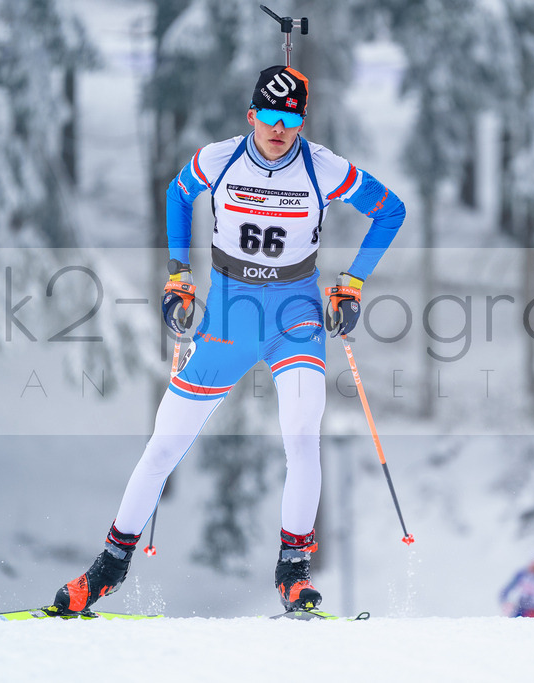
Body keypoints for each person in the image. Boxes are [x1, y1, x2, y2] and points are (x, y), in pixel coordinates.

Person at [52, 65, 405, 614]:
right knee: (165, 443)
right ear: (250, 115)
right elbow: (178, 193)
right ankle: (107, 569)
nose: (278, 128)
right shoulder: (220, 158)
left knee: (302, 431)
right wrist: (178, 275)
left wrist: (352, 283)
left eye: (289, 119)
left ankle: (293, 572)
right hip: (230, 318)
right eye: (268, 115)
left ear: (301, 122)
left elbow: (391, 211)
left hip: (296, 315)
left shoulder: (322, 167)